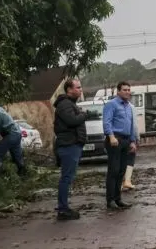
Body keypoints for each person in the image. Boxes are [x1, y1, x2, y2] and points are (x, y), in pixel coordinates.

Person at [53, 79, 88, 220]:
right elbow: (72, 121)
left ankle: (64, 207)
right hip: (68, 146)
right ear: (69, 89)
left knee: (68, 177)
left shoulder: (69, 104)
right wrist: (85, 115)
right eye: (78, 87)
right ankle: (63, 209)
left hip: (72, 144)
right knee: (66, 178)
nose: (81, 90)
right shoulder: (65, 104)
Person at [102, 81, 138, 210]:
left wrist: (133, 141)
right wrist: (111, 136)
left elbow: (131, 125)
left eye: (129, 90)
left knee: (122, 171)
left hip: (126, 140)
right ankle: (110, 200)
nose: (127, 92)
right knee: (114, 170)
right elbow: (107, 122)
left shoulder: (129, 106)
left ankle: (118, 199)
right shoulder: (111, 104)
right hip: (114, 140)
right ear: (118, 91)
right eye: (124, 90)